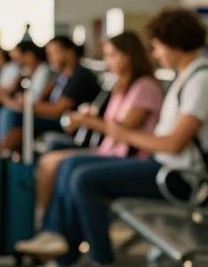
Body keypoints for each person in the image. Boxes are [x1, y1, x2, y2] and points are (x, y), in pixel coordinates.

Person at [18, 8, 208, 267]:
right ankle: (63, 251)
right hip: (163, 166)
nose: (155, 54)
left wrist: (122, 133)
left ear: (174, 43)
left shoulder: (201, 82)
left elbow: (174, 142)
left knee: (84, 178)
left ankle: (102, 264)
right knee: (71, 166)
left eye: (157, 46)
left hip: (178, 178)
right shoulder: (188, 77)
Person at [15, 32, 163, 254]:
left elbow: (123, 133)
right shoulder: (122, 86)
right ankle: (52, 231)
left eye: (112, 55)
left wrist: (88, 120)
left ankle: (59, 235)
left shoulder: (144, 88)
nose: (108, 62)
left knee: (70, 169)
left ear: (129, 56)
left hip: (127, 156)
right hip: (110, 150)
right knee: (58, 162)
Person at [0, 35, 100, 157]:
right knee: (9, 116)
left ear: (70, 52)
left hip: (67, 123)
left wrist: (27, 105)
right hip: (55, 119)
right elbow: (42, 97)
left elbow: (58, 110)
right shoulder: (61, 75)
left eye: (55, 52)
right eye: (48, 54)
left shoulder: (79, 76)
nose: (50, 58)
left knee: (12, 115)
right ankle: (2, 161)